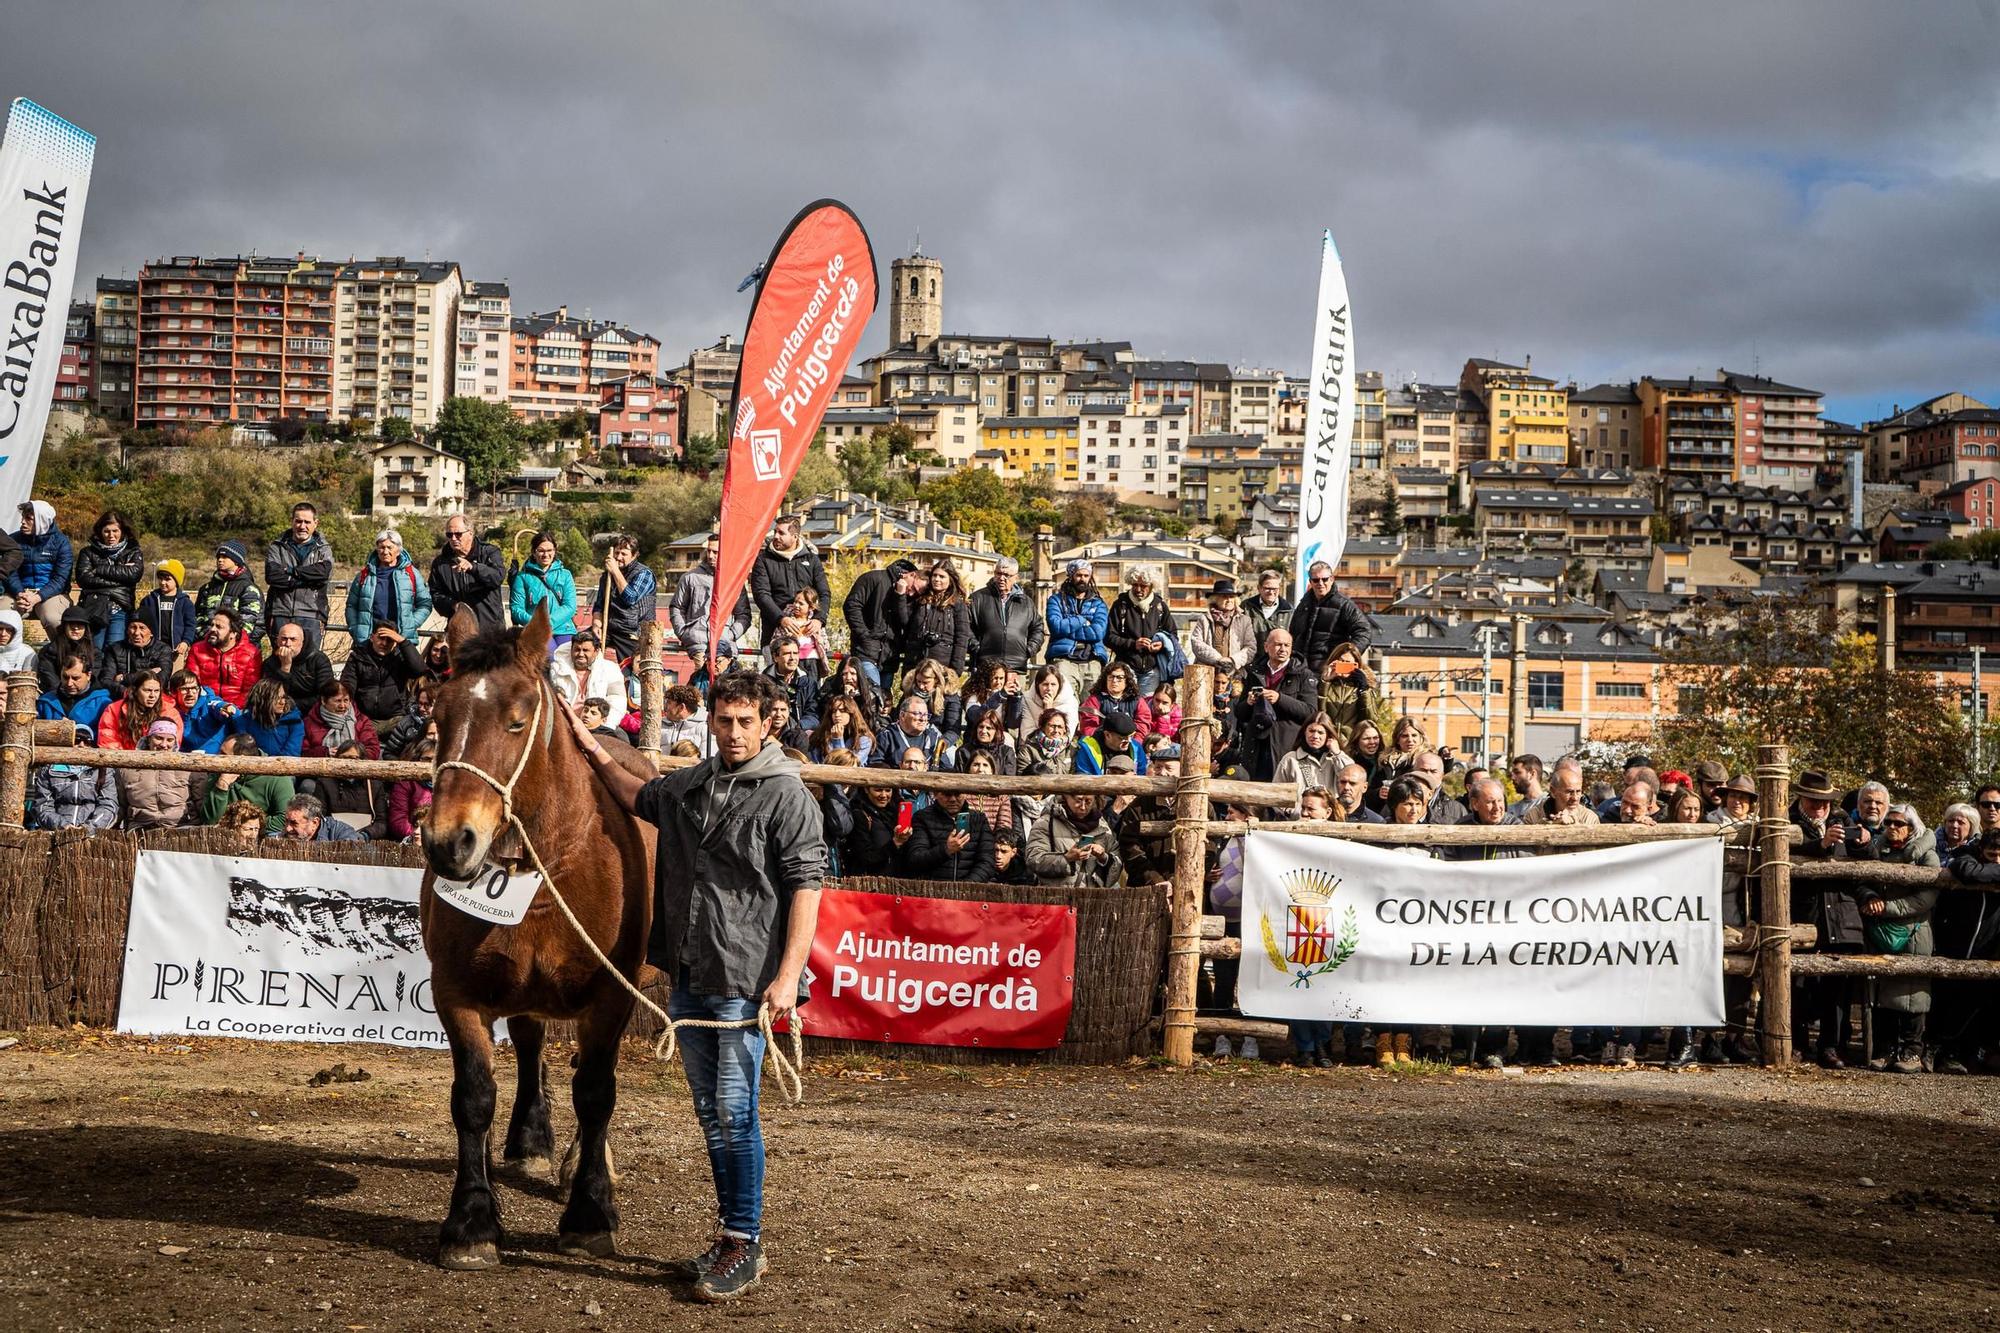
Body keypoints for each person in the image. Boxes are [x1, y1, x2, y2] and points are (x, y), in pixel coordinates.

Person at [568, 670, 824, 1302]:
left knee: (735, 1116)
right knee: (713, 1115)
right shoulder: (693, 785)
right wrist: (592, 747)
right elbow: (638, 796)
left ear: (768, 723)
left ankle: (745, 1242)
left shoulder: (787, 796)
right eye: (724, 720)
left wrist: (788, 976)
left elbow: (807, 889)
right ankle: (731, 1236)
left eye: (745, 722)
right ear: (711, 719)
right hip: (690, 974)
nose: (733, 733)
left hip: (745, 978)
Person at [1789, 769, 1863, 1068]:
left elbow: (1865, 856)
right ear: (1801, 799)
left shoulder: (1844, 820)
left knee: (1836, 987)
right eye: (1813, 802)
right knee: (1797, 984)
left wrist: (1864, 839)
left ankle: (1830, 1045)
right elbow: (1782, 851)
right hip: (1803, 913)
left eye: (1825, 802)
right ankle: (1795, 1042)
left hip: (1840, 915)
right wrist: (1818, 846)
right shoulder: (1787, 822)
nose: (1820, 808)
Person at [1865, 803, 1940, 1073]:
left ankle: (1911, 1051)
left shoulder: (1927, 855)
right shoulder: (1877, 850)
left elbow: (1926, 898)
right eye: (1888, 823)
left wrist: (1888, 908)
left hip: (1915, 930)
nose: (1892, 828)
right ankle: (1886, 1049)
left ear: (1911, 826)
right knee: (1883, 988)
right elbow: (1864, 880)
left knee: (1914, 992)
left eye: (1899, 823)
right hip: (1882, 931)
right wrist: (1870, 898)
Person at [1234, 629, 1316, 782]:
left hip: (1285, 746)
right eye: (1278, 645)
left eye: (1287, 645)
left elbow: (1310, 712)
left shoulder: (1303, 674)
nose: (1283, 649)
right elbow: (1240, 713)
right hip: (1256, 746)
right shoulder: (1254, 672)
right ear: (1266, 647)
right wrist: (1249, 703)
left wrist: (1280, 699)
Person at [668, 533, 750, 668]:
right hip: (698, 644)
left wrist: (731, 634)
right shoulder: (690, 578)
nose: (711, 556)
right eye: (709, 551)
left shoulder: (735, 581)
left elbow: (744, 615)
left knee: (726, 687)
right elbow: (676, 607)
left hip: (725, 645)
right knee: (702, 685)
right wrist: (684, 633)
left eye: (716, 552)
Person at [749, 514, 830, 648]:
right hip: (774, 634)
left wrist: (819, 620)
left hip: (808, 636)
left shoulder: (812, 559)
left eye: (781, 533)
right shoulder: (763, 560)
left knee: (810, 670)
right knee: (775, 669)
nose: (776, 536)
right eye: (775, 532)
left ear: (795, 537)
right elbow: (761, 595)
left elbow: (824, 594)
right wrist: (781, 619)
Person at [265, 501, 336, 651]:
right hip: (280, 613)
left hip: (312, 615)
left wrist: (291, 571)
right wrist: (308, 579)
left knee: (309, 665)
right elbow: (272, 576)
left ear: (315, 523)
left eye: (307, 522)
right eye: (298, 521)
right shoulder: (276, 547)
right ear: (292, 521)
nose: (302, 526)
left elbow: (323, 574)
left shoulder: (324, 549)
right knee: (280, 662)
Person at [842, 557, 920, 691]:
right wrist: (864, 634)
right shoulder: (873, 578)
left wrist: (901, 596)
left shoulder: (907, 596)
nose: (912, 592)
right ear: (911, 574)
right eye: (913, 587)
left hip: (889, 656)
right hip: (866, 651)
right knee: (873, 695)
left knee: (883, 697)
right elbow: (852, 606)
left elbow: (905, 622)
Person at [345, 529, 433, 645]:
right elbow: (351, 606)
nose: (385, 551)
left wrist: (409, 624)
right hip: (369, 641)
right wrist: (357, 630)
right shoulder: (364, 575)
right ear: (377, 549)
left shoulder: (411, 574)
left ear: (398, 550)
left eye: (390, 547)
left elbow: (425, 603)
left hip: (400, 640)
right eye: (381, 547)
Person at [1288, 560, 1374, 675]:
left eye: (1325, 579)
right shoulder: (1303, 604)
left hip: (1329, 672)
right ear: (1310, 582)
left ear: (1332, 579)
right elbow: (1293, 634)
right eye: (1316, 580)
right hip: (1300, 671)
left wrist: (1350, 653)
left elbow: (1364, 632)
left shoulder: (1345, 605)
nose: (1320, 583)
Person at [583, 532, 658, 664]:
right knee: (581, 645)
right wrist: (596, 624)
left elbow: (630, 597)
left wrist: (615, 571)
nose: (618, 557)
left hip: (633, 631)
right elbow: (599, 604)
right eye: (616, 553)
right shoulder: (606, 576)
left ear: (634, 555)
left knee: (631, 670)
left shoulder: (644, 574)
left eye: (624, 554)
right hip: (609, 627)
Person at [73, 510, 143, 650]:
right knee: (95, 650)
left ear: (122, 531)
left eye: (115, 531)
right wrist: (120, 577)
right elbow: (84, 579)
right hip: (95, 608)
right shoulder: (87, 552)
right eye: (107, 531)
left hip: (120, 608)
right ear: (100, 531)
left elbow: (134, 575)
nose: (111, 535)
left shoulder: (133, 551)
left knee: (114, 650)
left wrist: (98, 570)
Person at [1104, 565, 1176, 697]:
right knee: (1125, 707)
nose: (1138, 589)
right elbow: (1109, 637)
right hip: (1126, 668)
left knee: (1146, 709)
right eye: (1135, 585)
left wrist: (1161, 645)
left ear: (1151, 586)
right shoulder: (1120, 605)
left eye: (1143, 586)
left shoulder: (1160, 606)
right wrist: (1133, 644)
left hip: (1152, 670)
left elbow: (1172, 635)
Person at [1044, 559, 1110, 704]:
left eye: (1086, 576)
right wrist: (1081, 620)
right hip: (1064, 659)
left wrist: (1068, 627)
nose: (1083, 579)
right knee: (1064, 705)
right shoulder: (1056, 600)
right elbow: (1056, 627)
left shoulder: (1098, 603)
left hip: (1092, 660)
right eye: (1079, 575)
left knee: (1091, 708)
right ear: (1071, 576)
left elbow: (1098, 632)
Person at [200, 734, 293, 834]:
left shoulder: (277, 777)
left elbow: (283, 819)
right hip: (226, 833)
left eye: (223, 754)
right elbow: (210, 821)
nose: (217, 757)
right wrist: (222, 786)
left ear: (241, 759)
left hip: (262, 834)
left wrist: (249, 825)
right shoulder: (218, 773)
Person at [901, 786, 996, 883]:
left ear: (966, 793)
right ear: (935, 794)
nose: (953, 799)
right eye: (947, 794)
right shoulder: (922, 818)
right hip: (932, 890)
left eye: (958, 794)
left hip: (969, 890)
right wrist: (946, 849)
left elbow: (987, 861)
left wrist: (967, 885)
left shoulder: (978, 819)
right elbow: (916, 859)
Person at [430, 516, 509, 633]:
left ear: (470, 533)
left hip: (490, 631)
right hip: (459, 630)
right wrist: (453, 605)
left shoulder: (489, 552)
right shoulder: (440, 563)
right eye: (449, 535)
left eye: (458, 534)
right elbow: (435, 594)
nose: (453, 538)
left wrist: (474, 567)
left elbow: (497, 577)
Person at [1027, 791, 1122, 887]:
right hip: (1058, 896)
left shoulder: (1102, 826)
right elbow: (1034, 860)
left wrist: (1103, 857)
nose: (1083, 807)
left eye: (1088, 801)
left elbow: (1117, 863)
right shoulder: (1046, 823)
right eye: (1078, 800)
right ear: (1066, 796)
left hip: (1094, 898)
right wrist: (1066, 858)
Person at [967, 556, 1044, 672]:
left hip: (1016, 666)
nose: (1001, 578)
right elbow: (965, 626)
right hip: (985, 665)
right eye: (998, 573)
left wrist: (1029, 649)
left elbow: (1038, 627)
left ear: (1016, 577)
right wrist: (977, 648)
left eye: (1007, 575)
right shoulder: (977, 598)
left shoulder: (1026, 602)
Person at [10, 500, 76, 635]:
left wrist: (37, 597)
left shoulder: (61, 542)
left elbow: (61, 579)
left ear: (42, 521)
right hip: (20, 593)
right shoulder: (13, 540)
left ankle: (62, 654)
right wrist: (19, 592)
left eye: (29, 519)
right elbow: (10, 572)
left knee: (53, 619)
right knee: (3, 615)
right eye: (23, 517)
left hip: (51, 594)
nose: (23, 522)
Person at [29, 730, 117, 830]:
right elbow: (42, 806)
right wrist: (62, 826)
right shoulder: (49, 770)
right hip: (56, 831)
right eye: (76, 740)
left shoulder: (103, 771)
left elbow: (108, 805)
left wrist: (89, 828)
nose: (81, 745)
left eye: (87, 742)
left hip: (93, 833)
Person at [341, 623, 425, 724]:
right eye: (381, 638)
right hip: (363, 719)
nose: (384, 643)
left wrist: (403, 642)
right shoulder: (358, 657)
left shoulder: (400, 658)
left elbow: (419, 670)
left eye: (389, 639)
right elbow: (347, 686)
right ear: (372, 638)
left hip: (395, 719)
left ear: (395, 642)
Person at [118, 718, 191, 830]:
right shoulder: (128, 768)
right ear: (148, 739)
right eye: (159, 738)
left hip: (180, 828)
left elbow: (200, 803)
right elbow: (120, 804)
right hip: (140, 828)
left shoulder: (188, 768)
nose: (164, 744)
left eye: (170, 740)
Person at [902, 559, 971, 675]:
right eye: (934, 575)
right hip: (915, 664)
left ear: (950, 579)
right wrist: (900, 597)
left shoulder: (958, 605)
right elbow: (904, 621)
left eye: (942, 576)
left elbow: (962, 639)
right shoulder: (920, 599)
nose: (937, 579)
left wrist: (955, 671)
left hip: (942, 666)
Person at [511, 530, 578, 648]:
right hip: (536, 630)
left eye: (549, 550)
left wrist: (548, 622)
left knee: (568, 658)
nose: (545, 555)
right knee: (550, 658)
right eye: (541, 551)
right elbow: (517, 609)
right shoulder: (522, 577)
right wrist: (536, 624)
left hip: (564, 628)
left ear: (555, 551)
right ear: (533, 552)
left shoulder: (565, 575)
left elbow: (570, 606)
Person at [551, 631, 629, 729]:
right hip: (563, 725)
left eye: (585, 650)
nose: (581, 654)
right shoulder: (556, 669)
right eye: (577, 649)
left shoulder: (610, 669)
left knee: (621, 739)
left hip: (598, 726)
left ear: (596, 652)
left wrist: (606, 725)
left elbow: (617, 699)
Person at [187, 609, 262, 708]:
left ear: (233, 633)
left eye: (219, 627)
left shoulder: (251, 654)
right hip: (205, 707)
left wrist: (230, 708)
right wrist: (214, 707)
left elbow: (250, 691)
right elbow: (192, 685)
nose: (212, 629)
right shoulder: (197, 650)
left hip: (237, 710)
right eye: (212, 625)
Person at [194, 541, 264, 643]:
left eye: (225, 557)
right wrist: (204, 637)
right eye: (218, 557)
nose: (220, 560)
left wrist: (234, 642)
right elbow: (198, 615)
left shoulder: (249, 588)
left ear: (236, 561)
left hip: (237, 649)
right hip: (207, 646)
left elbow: (253, 623)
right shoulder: (207, 588)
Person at [136, 560, 198, 665]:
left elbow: (190, 625)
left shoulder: (186, 603)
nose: (163, 582)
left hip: (176, 651)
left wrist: (185, 642)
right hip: (152, 651)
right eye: (160, 578)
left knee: (175, 678)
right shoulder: (148, 600)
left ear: (177, 581)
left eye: (167, 579)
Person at [1188, 579, 1256, 674]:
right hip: (1207, 672)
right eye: (1224, 596)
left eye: (1231, 597)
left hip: (1235, 672)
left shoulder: (1244, 620)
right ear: (1215, 599)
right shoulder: (1205, 619)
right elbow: (1197, 643)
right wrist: (1219, 659)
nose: (1229, 600)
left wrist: (1232, 660)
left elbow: (1250, 647)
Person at [97, 669, 176, 751]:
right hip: (122, 759)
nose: (152, 695)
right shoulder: (114, 710)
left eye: (156, 691)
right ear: (135, 690)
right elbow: (108, 741)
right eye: (147, 690)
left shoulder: (169, 712)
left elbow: (173, 744)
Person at [261, 620, 334, 707]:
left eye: (293, 639)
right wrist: (285, 669)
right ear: (277, 641)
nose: (288, 644)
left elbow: (326, 695)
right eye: (284, 639)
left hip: (311, 712)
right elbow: (270, 696)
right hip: (280, 711)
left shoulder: (318, 660)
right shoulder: (270, 663)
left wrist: (291, 705)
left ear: (302, 642)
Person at [302, 680, 381, 759]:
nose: (342, 706)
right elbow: (302, 752)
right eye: (338, 701)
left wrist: (354, 754)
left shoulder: (362, 721)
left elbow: (373, 749)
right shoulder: (308, 723)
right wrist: (325, 753)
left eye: (346, 700)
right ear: (323, 700)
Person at [1274, 713, 1349, 795]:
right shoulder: (1290, 759)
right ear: (1304, 732)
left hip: (1330, 807)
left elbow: (1352, 777)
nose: (1315, 736)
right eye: (1311, 731)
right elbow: (1277, 794)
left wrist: (1338, 753)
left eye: (1320, 732)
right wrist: (1296, 808)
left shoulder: (1334, 759)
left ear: (1329, 735)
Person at [37, 655, 113, 735]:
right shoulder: (46, 702)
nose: (69, 683)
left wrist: (85, 737)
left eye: (75, 678)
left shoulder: (103, 704)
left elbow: (109, 735)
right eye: (65, 677)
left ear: (88, 675)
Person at [1078, 660, 1151, 741]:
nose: (1114, 680)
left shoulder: (1138, 701)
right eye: (1111, 677)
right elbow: (1088, 727)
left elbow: (1142, 727)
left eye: (1119, 678)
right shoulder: (1094, 700)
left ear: (1127, 681)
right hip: (1101, 741)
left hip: (1129, 742)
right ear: (1105, 679)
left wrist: (1134, 744)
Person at [868, 694, 944, 771]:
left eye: (925, 715)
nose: (923, 719)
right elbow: (875, 766)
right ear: (902, 715)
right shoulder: (886, 736)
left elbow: (945, 769)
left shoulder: (933, 738)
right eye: (917, 714)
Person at [36, 604, 98, 695]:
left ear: (86, 628)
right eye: (71, 624)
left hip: (86, 696)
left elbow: (94, 678)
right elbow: (50, 680)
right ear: (64, 626)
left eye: (80, 625)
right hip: (56, 696)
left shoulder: (95, 652)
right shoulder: (49, 651)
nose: (75, 628)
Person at [100, 615, 174, 691]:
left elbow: (161, 681)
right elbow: (106, 681)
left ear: (151, 632)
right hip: (123, 695)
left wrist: (123, 678)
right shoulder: (114, 649)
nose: (136, 633)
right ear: (127, 630)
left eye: (142, 628)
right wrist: (149, 673)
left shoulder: (163, 649)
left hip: (152, 697)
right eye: (133, 627)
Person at [762, 636, 819, 733]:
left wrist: (797, 727)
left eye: (795, 653)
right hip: (770, 731)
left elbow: (813, 715)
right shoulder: (763, 682)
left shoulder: (808, 683)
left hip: (799, 732)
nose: (792, 658)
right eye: (787, 654)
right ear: (775, 657)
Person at [170, 669, 235, 754]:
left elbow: (217, 705)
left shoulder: (208, 704)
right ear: (174, 692)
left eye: (194, 688)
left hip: (215, 759)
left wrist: (226, 708)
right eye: (184, 689)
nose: (190, 693)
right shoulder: (170, 711)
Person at [234, 679, 303, 757]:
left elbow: (291, 754)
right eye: (277, 698)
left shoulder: (294, 721)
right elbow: (246, 752)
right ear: (262, 699)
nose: (282, 702)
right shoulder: (243, 721)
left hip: (285, 766)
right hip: (255, 766)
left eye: (283, 697)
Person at [1523, 757, 1600, 827]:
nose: (1575, 798)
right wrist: (1551, 825)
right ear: (1553, 791)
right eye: (1569, 792)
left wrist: (1576, 827)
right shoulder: (1533, 816)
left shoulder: (1589, 818)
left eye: (1578, 791)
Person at [1015, 665, 1077, 751]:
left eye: (1053, 684)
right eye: (1045, 684)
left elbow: (1068, 736)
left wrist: (1049, 710)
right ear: (1037, 685)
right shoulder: (1027, 699)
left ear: (1060, 686)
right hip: (1033, 750)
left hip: (1060, 751)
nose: (1049, 688)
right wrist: (1047, 713)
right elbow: (1027, 734)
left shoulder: (1070, 702)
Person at [386, 739, 436, 841]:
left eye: (435, 760)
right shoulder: (406, 783)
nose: (431, 763)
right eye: (426, 759)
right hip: (414, 839)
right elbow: (398, 820)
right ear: (417, 759)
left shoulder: (447, 783)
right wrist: (418, 835)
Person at [380, 677, 441, 759]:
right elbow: (389, 753)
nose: (421, 708)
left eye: (427, 705)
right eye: (420, 703)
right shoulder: (406, 724)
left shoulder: (450, 726)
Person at [1075, 709, 1148, 776]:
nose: (1129, 740)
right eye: (1122, 738)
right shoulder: (1088, 749)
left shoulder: (1136, 748)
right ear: (1107, 735)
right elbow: (1084, 775)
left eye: (1131, 736)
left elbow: (1141, 773)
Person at [774, 590, 829, 677]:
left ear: (811, 607)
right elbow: (775, 643)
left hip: (812, 663)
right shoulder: (787, 622)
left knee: (811, 688)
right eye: (795, 602)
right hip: (792, 662)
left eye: (801, 603)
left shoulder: (815, 624)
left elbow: (826, 645)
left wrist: (818, 638)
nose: (796, 605)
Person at [806, 693, 873, 767]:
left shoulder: (864, 740)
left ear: (851, 713)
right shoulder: (821, 735)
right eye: (834, 711)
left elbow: (847, 765)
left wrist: (837, 740)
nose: (837, 715)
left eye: (842, 711)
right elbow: (814, 761)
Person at [1407, 751, 1467, 826]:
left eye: (1433, 771)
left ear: (1442, 775)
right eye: (1423, 770)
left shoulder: (1457, 809)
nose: (1428, 775)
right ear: (1413, 773)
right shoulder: (1398, 803)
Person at [282, 792, 367, 843]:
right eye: (286, 821)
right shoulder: (283, 836)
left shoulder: (342, 834)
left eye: (294, 823)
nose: (288, 828)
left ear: (314, 823)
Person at [956, 704, 1017, 775]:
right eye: (981, 727)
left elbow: (1010, 781)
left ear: (997, 731)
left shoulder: (1006, 752)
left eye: (988, 728)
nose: (983, 731)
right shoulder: (963, 752)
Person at [1019, 707, 1075, 778]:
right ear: (1043, 727)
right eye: (1052, 726)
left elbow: (1076, 774)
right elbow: (1021, 776)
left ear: (1065, 729)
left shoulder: (1071, 749)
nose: (1056, 730)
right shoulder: (1029, 749)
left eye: (1060, 727)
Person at [660, 684, 712, 758]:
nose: (665, 707)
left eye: (669, 703)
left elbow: (706, 761)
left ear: (681, 707)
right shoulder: (659, 725)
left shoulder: (705, 728)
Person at [1244, 568, 1291, 647]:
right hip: (1252, 657)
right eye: (1267, 588)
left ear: (1280, 589)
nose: (1271, 592)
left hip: (1277, 658)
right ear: (1259, 588)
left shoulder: (1288, 611)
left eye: (1274, 589)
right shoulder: (1246, 607)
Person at [1507, 755, 1546, 820]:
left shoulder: (1549, 804)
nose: (1512, 778)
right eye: (1512, 774)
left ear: (1532, 774)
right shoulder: (1511, 810)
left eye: (1517, 772)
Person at [0, 608, 34, 675]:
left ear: (17, 632)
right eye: (0, 629)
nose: (3, 634)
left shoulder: (27, 654)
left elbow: (28, 682)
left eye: (9, 630)